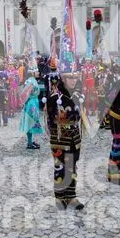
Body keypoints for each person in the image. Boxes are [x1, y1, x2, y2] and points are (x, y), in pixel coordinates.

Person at [42, 58, 84, 209]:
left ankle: (71, 196)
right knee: (61, 166)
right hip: (60, 139)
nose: (73, 80)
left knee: (72, 167)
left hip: (74, 137)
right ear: (62, 78)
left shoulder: (77, 95)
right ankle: (60, 196)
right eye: (69, 77)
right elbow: (50, 119)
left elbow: (79, 117)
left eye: (74, 77)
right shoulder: (54, 98)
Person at [19, 71, 43, 149]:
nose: (38, 72)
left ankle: (30, 141)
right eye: (36, 71)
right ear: (32, 73)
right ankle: (29, 143)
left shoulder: (32, 80)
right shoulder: (30, 81)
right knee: (30, 123)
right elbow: (24, 94)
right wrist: (25, 102)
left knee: (31, 123)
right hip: (31, 104)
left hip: (33, 103)